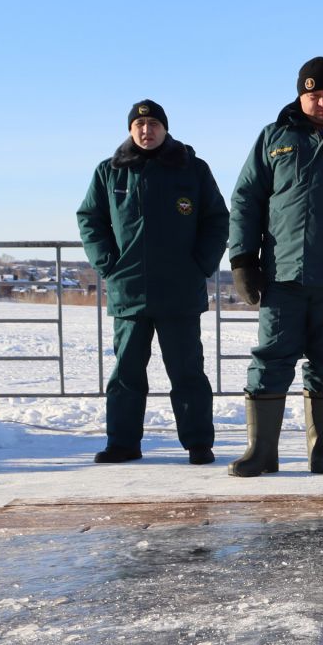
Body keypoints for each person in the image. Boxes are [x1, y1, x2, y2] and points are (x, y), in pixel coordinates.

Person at [76, 99, 229, 464]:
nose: (147, 131)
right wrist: (108, 264)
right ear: (131, 130)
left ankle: (197, 443)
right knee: (126, 372)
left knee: (187, 371)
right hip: (129, 291)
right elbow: (89, 219)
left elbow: (216, 219)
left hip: (180, 291)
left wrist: (201, 265)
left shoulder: (192, 169)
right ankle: (123, 443)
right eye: (139, 126)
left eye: (154, 125)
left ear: (165, 128)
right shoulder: (110, 172)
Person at [225, 58, 323, 477]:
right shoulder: (275, 138)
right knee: (270, 360)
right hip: (283, 274)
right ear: (300, 96)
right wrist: (242, 259)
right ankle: (261, 450)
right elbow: (246, 200)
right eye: (312, 95)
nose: (320, 103)